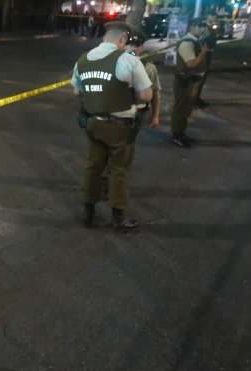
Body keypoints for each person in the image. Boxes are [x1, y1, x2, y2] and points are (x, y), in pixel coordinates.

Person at [72, 22, 152, 228]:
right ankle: (118, 217)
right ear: (122, 39)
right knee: (119, 170)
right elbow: (146, 94)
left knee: (92, 167)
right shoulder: (127, 60)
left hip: (93, 123)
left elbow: (77, 90)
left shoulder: (82, 60)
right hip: (120, 127)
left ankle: (87, 214)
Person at [170, 17, 210, 148]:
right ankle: (176, 135)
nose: (202, 29)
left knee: (186, 109)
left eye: (203, 26)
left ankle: (181, 133)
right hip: (185, 81)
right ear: (191, 26)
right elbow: (191, 63)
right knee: (181, 109)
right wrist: (203, 53)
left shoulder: (195, 41)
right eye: (199, 26)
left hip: (192, 81)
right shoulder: (187, 43)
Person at [127, 30, 160, 128]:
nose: (133, 48)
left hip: (138, 111)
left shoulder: (149, 67)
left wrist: (155, 116)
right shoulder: (114, 63)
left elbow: (155, 93)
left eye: (137, 46)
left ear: (141, 48)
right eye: (130, 45)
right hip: (117, 111)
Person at [195, 13, 219, 108]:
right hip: (203, 56)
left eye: (215, 16)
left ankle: (197, 98)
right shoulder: (204, 28)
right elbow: (201, 41)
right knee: (199, 79)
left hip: (207, 55)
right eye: (212, 15)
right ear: (207, 17)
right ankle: (195, 100)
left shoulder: (211, 27)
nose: (214, 17)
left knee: (202, 79)